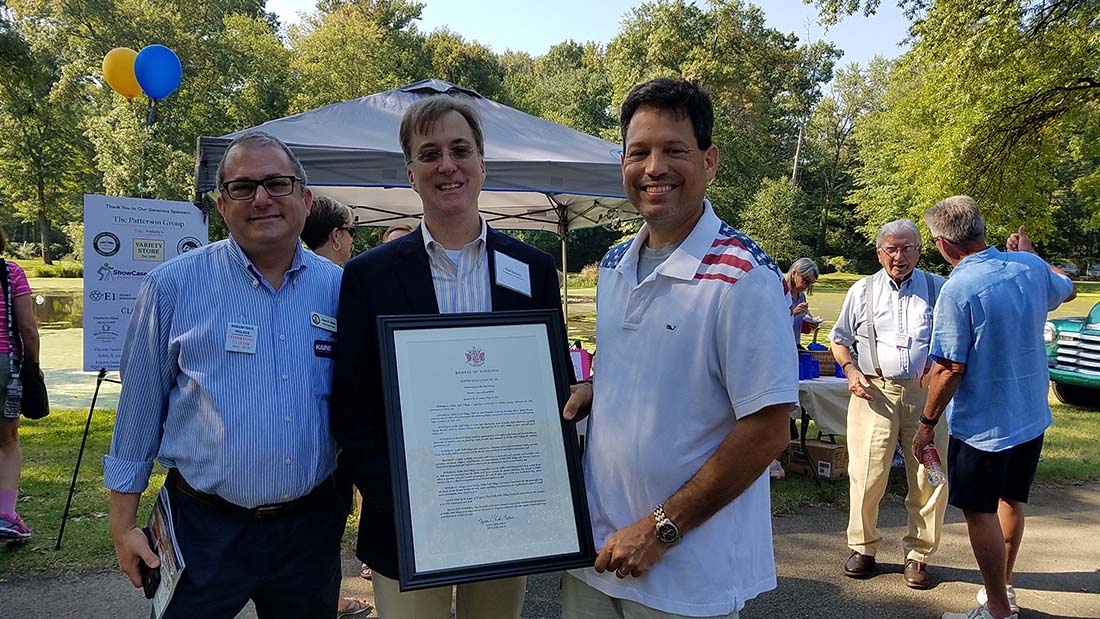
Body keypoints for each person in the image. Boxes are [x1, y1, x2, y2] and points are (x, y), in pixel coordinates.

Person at [560, 78, 797, 618]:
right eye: (638, 152)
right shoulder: (617, 264)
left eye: (674, 150)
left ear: (709, 161)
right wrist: (600, 387)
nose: (653, 167)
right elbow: (657, 370)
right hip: (599, 552)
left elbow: (767, 429)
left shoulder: (744, 277)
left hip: (686, 571)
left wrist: (661, 530)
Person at [331, 95, 566, 619]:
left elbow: (552, 387)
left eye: (460, 149)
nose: (447, 165)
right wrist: (400, 493)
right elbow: (350, 404)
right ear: (411, 173)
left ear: (482, 164)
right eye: (429, 153)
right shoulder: (368, 276)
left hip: (505, 513)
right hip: (406, 521)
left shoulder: (533, 270)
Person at [104, 131, 351, 618]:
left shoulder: (343, 290)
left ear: (305, 198)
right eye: (243, 187)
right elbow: (137, 412)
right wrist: (122, 525)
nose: (261, 198)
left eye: (277, 184)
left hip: (309, 530)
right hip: (200, 530)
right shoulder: (171, 286)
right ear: (221, 204)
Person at [914, 196, 1075, 619]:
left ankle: (999, 609)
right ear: (980, 230)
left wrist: (926, 424)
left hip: (983, 426)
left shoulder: (958, 288)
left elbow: (949, 368)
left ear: (943, 245)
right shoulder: (1030, 267)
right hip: (1030, 416)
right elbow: (1069, 287)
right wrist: (1032, 253)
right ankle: (1002, 589)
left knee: (979, 510)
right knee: (1011, 501)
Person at [828, 219, 947, 589]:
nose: (900, 256)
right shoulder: (861, 290)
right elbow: (839, 339)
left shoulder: (938, 288)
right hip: (873, 393)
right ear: (879, 252)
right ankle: (863, 547)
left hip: (925, 395)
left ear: (919, 250)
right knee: (866, 473)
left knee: (932, 476)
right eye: (892, 249)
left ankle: (918, 554)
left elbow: (955, 340)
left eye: (907, 248)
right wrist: (849, 370)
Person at [300, 197, 373, 618]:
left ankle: (328, 598)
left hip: (327, 438)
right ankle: (329, 599)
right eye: (351, 232)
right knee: (323, 524)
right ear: (337, 235)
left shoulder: (340, 282)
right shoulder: (345, 284)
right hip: (331, 443)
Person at [0, 226, 41, 540]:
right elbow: (28, 329)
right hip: (4, 365)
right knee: (7, 442)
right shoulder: (11, 272)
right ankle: (5, 515)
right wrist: (33, 367)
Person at [302, 195, 357, 266]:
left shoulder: (292, 271)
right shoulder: (340, 275)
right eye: (351, 231)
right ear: (336, 235)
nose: (351, 239)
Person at [786, 257, 820, 345]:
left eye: (811, 283)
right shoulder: (781, 294)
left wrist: (810, 324)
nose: (807, 286)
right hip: (781, 348)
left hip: (795, 346)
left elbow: (798, 327)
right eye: (805, 281)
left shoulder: (801, 297)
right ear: (794, 273)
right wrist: (793, 313)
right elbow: (772, 324)